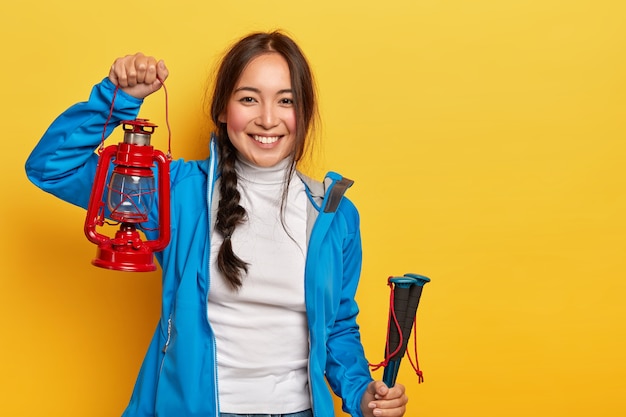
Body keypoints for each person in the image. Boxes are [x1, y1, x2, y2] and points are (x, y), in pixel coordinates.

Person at [25, 31, 408, 417]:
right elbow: (53, 167)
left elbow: (338, 324)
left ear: (303, 111)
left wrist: (361, 393)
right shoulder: (175, 193)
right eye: (248, 99)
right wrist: (118, 98)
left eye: (286, 100)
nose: (268, 119)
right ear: (223, 109)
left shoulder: (335, 213)